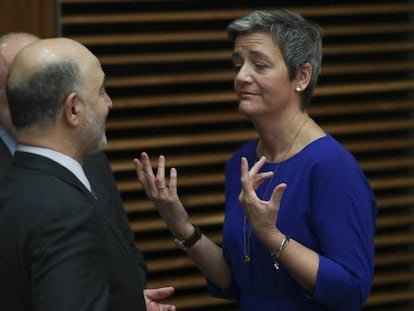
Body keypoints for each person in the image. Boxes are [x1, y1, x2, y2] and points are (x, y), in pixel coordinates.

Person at [134, 10, 377, 311]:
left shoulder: (331, 167)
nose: (240, 76)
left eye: (259, 65)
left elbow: (352, 290)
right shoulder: (244, 160)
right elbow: (236, 283)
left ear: (301, 76)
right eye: (237, 64)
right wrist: (181, 225)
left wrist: (272, 236)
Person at [0, 36, 175, 310]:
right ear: (73, 109)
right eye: (102, 91)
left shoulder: (12, 188)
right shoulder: (65, 213)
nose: (109, 103)